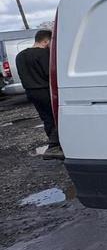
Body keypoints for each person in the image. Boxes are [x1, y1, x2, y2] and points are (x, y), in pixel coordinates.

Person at [16, 29, 64, 160]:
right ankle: (54, 146)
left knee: (46, 118)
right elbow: (49, 73)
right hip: (44, 91)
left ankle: (55, 145)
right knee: (57, 118)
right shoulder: (44, 54)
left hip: (31, 92)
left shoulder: (20, 56)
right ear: (46, 41)